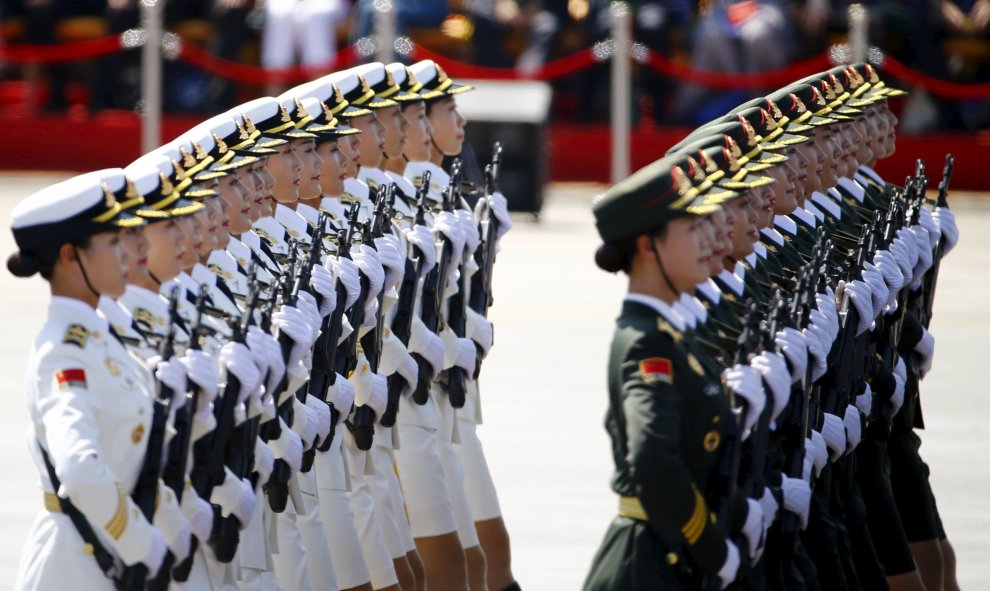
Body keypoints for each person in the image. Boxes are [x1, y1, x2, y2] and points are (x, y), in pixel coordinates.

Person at [584, 156, 743, 590]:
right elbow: (654, 460)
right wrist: (713, 549)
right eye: (693, 229)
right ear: (647, 246)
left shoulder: (669, 334)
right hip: (648, 565)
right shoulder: (646, 342)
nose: (709, 239)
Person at [9, 173, 172, 589]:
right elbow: (80, 469)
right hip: (78, 563)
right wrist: (140, 541)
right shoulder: (65, 352)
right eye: (112, 242)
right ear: (70, 255)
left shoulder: (101, 335)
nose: (126, 254)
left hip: (105, 553)